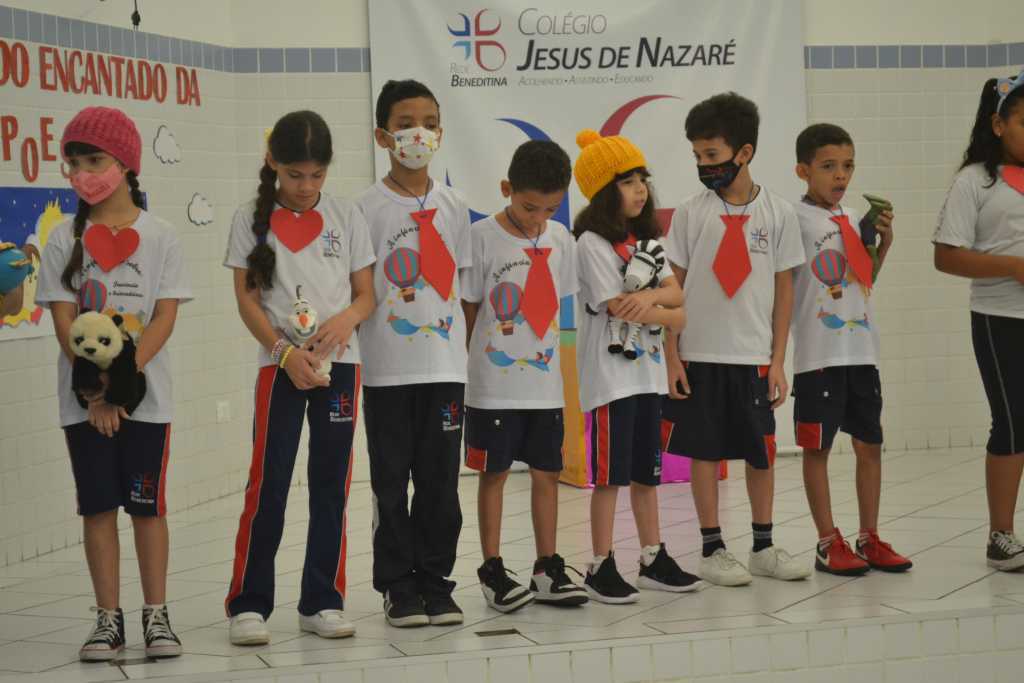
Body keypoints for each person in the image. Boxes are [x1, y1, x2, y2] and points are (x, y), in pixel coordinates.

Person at [35, 106, 191, 660]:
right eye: (74, 162)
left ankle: (156, 615)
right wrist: (95, 394)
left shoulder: (161, 236)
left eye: (94, 160)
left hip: (145, 401)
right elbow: (63, 321)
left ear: (124, 164)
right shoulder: (63, 239)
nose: (83, 173)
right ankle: (107, 619)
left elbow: (164, 317)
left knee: (147, 507)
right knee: (98, 507)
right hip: (83, 402)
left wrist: (122, 384)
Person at [223, 110, 376, 644]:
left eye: (316, 175)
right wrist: (283, 352)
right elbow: (247, 300)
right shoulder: (249, 218)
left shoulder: (346, 215)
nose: (306, 186)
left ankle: (322, 601)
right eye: (294, 175)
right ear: (273, 163)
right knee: (269, 481)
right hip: (280, 366)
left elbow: (366, 294)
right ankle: (248, 604)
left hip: (339, 365)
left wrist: (345, 320)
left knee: (332, 483)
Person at [662, 92, 810, 586]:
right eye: (697, 156)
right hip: (699, 352)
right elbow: (672, 287)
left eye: (712, 155)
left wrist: (778, 359)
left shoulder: (779, 213)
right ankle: (712, 547)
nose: (704, 165)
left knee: (760, 451)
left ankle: (763, 546)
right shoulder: (690, 213)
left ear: (743, 153)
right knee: (705, 452)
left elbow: (784, 290)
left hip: (753, 355)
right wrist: (671, 356)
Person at [356, 80, 471, 627]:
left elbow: (464, 291)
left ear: (441, 132)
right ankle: (398, 585)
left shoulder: (455, 206)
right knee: (390, 483)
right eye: (405, 125)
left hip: (445, 368)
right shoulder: (364, 209)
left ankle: (435, 580)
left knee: (440, 484)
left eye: (428, 123)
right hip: (387, 371)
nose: (417, 134)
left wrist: (458, 353)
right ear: (383, 136)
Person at [573, 129, 701, 604]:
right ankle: (600, 563)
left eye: (642, 179)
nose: (640, 189)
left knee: (648, 474)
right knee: (609, 478)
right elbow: (617, 306)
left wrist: (652, 301)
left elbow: (678, 303)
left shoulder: (648, 239)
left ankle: (652, 556)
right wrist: (662, 304)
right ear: (604, 190)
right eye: (627, 181)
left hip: (648, 377)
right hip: (612, 381)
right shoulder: (591, 243)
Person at [463, 139, 587, 613]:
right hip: (493, 387)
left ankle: (547, 567)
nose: (538, 218)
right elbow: (470, 310)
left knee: (547, 473)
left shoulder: (561, 240)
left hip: (545, 384)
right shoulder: (481, 237)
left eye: (550, 209)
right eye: (529, 207)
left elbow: (558, 308)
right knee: (493, 473)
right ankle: (492, 568)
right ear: (506, 189)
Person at [791, 123, 911, 575]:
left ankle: (869, 536)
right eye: (828, 166)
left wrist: (885, 244)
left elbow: (864, 280)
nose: (840, 175)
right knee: (817, 449)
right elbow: (784, 286)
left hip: (861, 351)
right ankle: (827, 542)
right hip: (818, 356)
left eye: (847, 166)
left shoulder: (853, 217)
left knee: (870, 445)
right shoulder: (793, 220)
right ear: (803, 170)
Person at [933, 67, 1024, 571]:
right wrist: (1012, 267)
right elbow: (946, 256)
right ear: (998, 124)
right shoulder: (974, 181)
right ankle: (1000, 536)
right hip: (1000, 318)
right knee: (1012, 422)